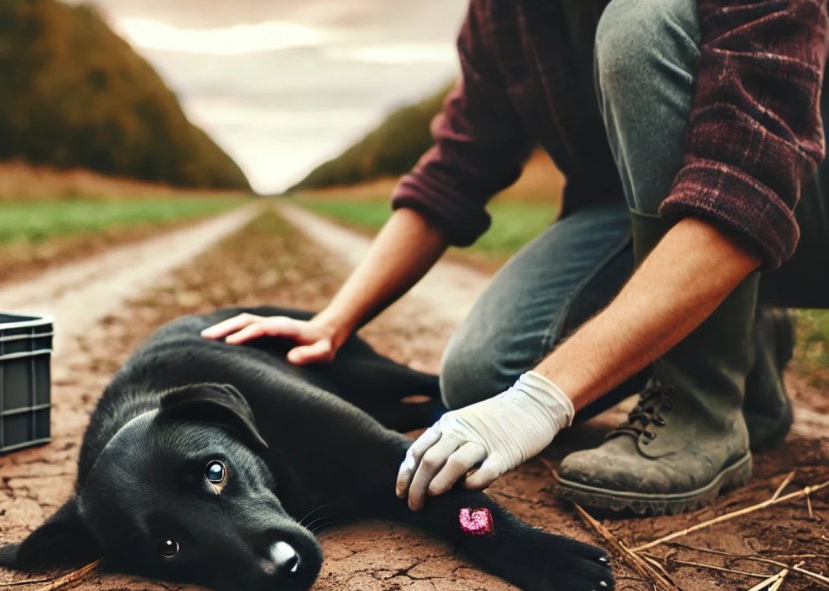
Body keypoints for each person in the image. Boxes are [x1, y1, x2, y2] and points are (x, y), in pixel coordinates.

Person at [203, 0, 829, 515]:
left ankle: (702, 408)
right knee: (482, 377)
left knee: (642, 25)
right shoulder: (502, 14)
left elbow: (748, 178)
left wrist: (543, 400)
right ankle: (742, 338)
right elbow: (456, 168)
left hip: (794, 176)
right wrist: (334, 320)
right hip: (647, 207)